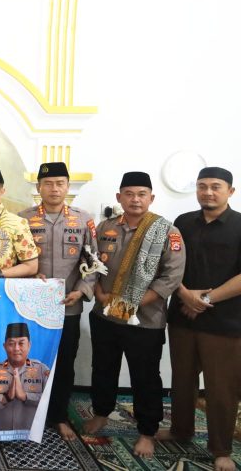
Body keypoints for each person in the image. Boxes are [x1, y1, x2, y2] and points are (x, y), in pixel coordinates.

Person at [83, 171, 185, 458]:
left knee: (145, 377)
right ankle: (101, 413)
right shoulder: (105, 227)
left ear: (151, 198)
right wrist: (101, 296)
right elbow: (91, 262)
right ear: (119, 197)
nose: (135, 199)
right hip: (104, 315)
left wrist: (127, 306)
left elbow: (170, 278)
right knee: (102, 368)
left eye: (141, 194)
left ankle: (147, 432)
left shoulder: (167, 232)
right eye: (129, 193)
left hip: (145, 321)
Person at [156, 167, 241, 471]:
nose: (208, 192)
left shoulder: (240, 225)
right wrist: (184, 294)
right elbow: (170, 263)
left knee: (221, 388)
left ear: (230, 191)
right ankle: (181, 429)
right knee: (182, 379)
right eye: (202, 186)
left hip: (225, 323)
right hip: (182, 316)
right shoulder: (183, 223)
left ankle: (220, 449)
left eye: (215, 187)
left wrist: (204, 299)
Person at [17, 162, 102, 440]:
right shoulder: (23, 219)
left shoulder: (82, 219)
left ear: (67, 186)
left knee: (64, 363)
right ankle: (26, 412)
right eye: (48, 183)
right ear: (39, 187)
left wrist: (81, 290)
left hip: (69, 306)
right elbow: (16, 260)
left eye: (60, 183)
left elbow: (93, 261)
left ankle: (58, 416)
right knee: (29, 361)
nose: (54, 189)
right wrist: (30, 277)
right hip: (31, 305)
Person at [0, 322, 50, 431]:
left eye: (21, 343)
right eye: (11, 344)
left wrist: (25, 396)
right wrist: (3, 398)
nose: (16, 348)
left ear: (29, 345)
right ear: (4, 346)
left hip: (31, 435)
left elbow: (52, 399)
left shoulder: (42, 370)